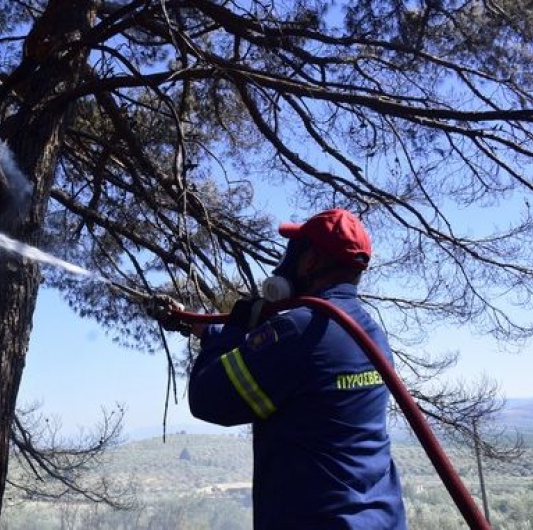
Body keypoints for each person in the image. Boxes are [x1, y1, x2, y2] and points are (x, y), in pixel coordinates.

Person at [161, 209, 407, 529]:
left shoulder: (295, 331)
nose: (284, 262)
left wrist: (235, 328)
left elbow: (207, 397)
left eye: (293, 251)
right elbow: (278, 359)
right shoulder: (368, 332)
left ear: (309, 262)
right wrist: (200, 327)